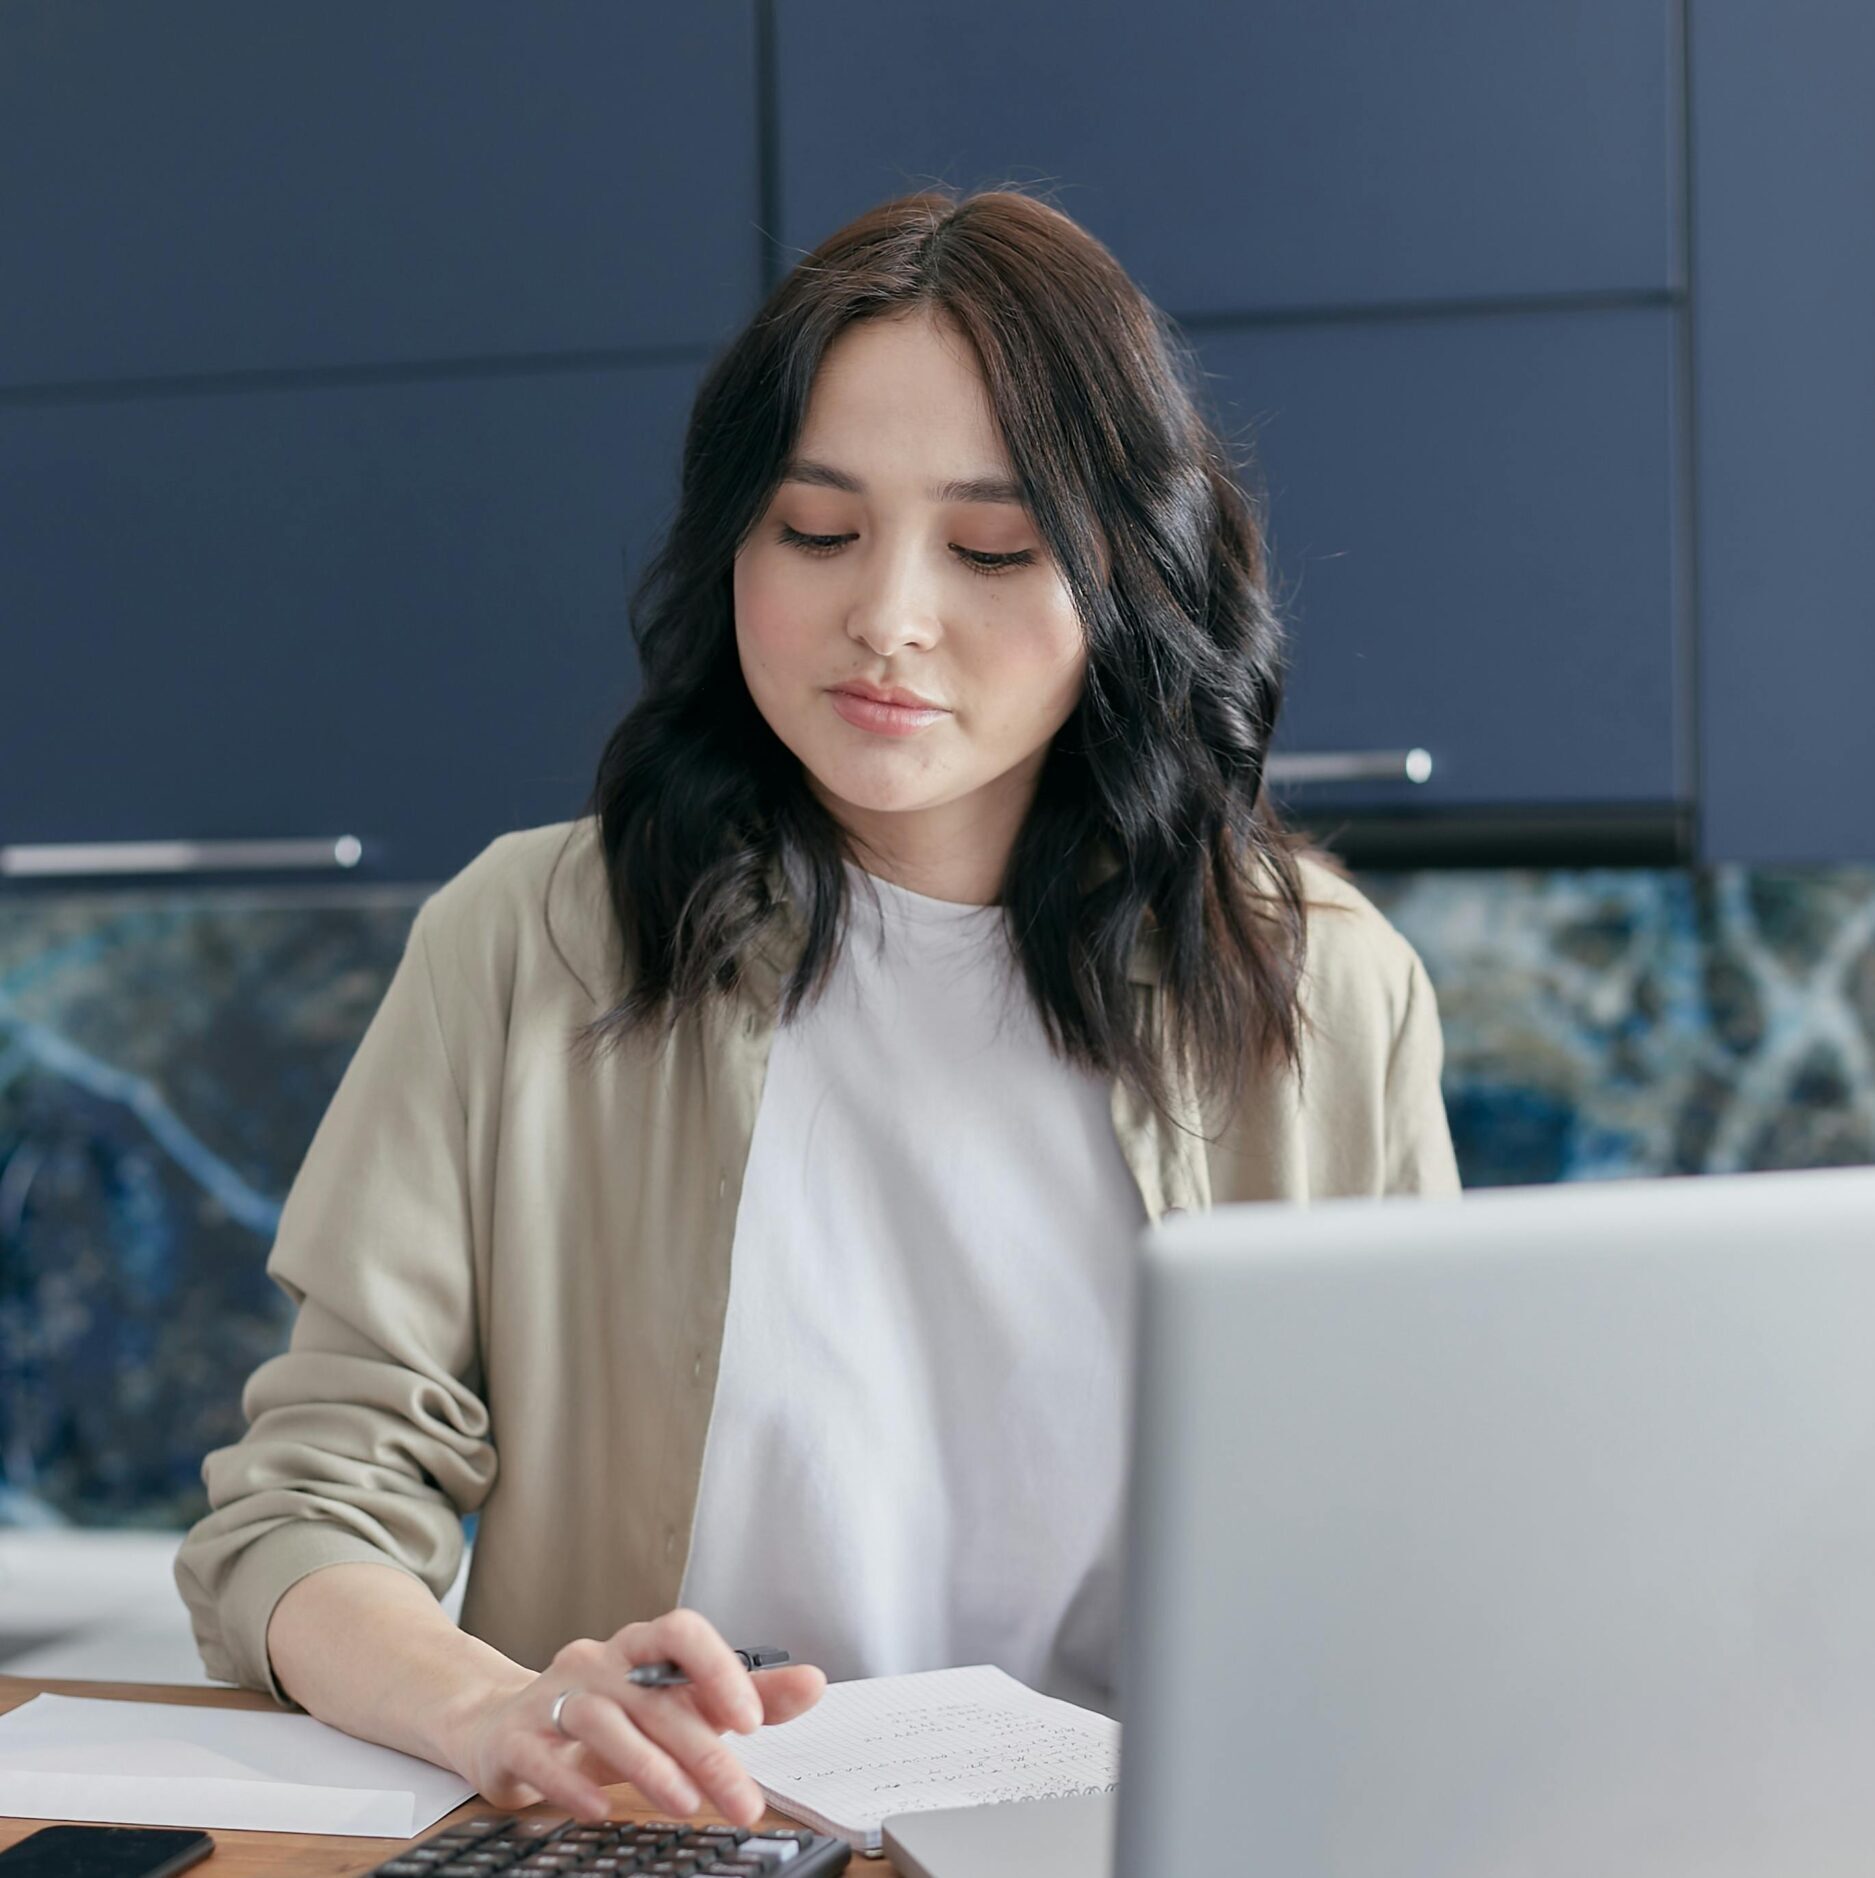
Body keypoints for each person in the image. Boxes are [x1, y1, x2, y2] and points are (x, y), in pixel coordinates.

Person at [173, 184, 1460, 1827]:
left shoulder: (1321, 990)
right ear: (732, 543)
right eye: (817, 529)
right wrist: (498, 1707)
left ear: (1128, 579)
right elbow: (300, 1512)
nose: (890, 618)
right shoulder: (528, 938)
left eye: (993, 545)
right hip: (660, 1849)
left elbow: (1412, 1557)